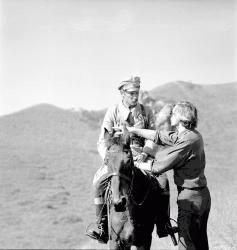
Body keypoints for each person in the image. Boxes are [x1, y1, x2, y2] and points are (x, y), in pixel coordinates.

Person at [86, 76, 172, 244]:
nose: (135, 96)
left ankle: (163, 223)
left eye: (137, 93)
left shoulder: (146, 111)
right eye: (131, 93)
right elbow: (103, 140)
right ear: (122, 93)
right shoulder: (113, 111)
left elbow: (154, 137)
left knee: (162, 180)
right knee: (97, 182)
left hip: (140, 156)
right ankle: (102, 226)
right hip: (117, 158)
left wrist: (146, 153)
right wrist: (108, 159)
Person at [119, 101, 211, 250]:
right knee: (200, 244)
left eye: (173, 113)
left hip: (190, 199)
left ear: (181, 117)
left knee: (186, 245)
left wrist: (135, 164)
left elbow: (158, 166)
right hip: (201, 196)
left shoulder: (186, 141)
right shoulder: (191, 135)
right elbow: (159, 136)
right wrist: (133, 130)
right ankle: (163, 224)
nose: (170, 116)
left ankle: (163, 222)